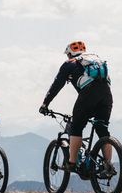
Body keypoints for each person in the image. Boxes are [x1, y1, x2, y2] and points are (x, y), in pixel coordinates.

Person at [39, 41, 115, 176]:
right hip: (107, 96)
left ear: (69, 53)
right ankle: (108, 166)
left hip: (88, 95)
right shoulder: (94, 61)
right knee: (102, 128)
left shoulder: (69, 64)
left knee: (76, 127)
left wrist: (45, 104)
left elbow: (56, 85)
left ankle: (72, 163)